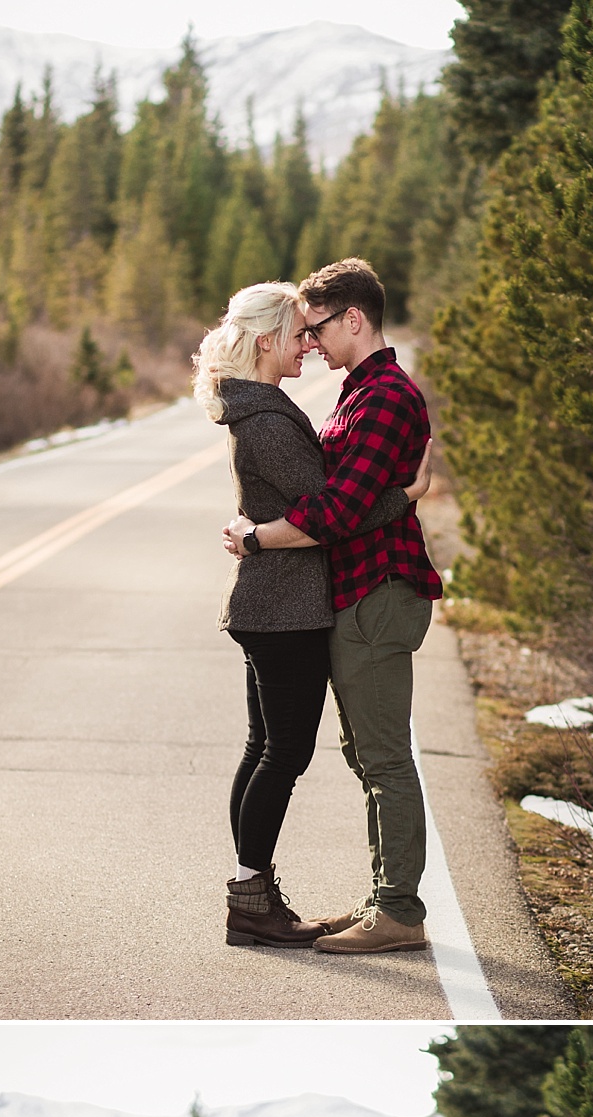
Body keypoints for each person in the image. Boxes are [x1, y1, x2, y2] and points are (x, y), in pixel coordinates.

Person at [193, 282, 432, 948]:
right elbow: (334, 510)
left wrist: (260, 532)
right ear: (266, 339)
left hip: (293, 597)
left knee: (279, 750)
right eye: (299, 333)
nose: (309, 342)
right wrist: (405, 494)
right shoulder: (269, 416)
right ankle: (252, 894)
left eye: (315, 328)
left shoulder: (330, 400)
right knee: (284, 752)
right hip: (284, 604)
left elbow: (329, 505)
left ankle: (265, 893)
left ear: (352, 319)